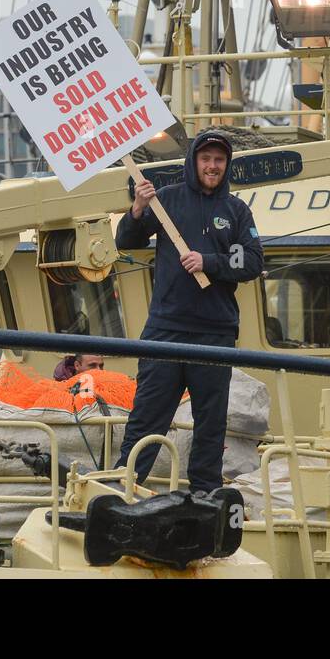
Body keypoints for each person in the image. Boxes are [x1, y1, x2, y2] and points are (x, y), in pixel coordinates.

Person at [114, 130, 264, 493]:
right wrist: (136, 210)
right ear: (194, 161)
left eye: (219, 160)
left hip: (216, 333)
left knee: (211, 423)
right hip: (165, 330)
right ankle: (122, 485)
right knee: (147, 416)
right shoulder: (166, 200)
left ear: (226, 166)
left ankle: (205, 494)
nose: (212, 166)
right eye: (206, 159)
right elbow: (125, 241)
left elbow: (253, 261)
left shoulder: (237, 211)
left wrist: (209, 261)